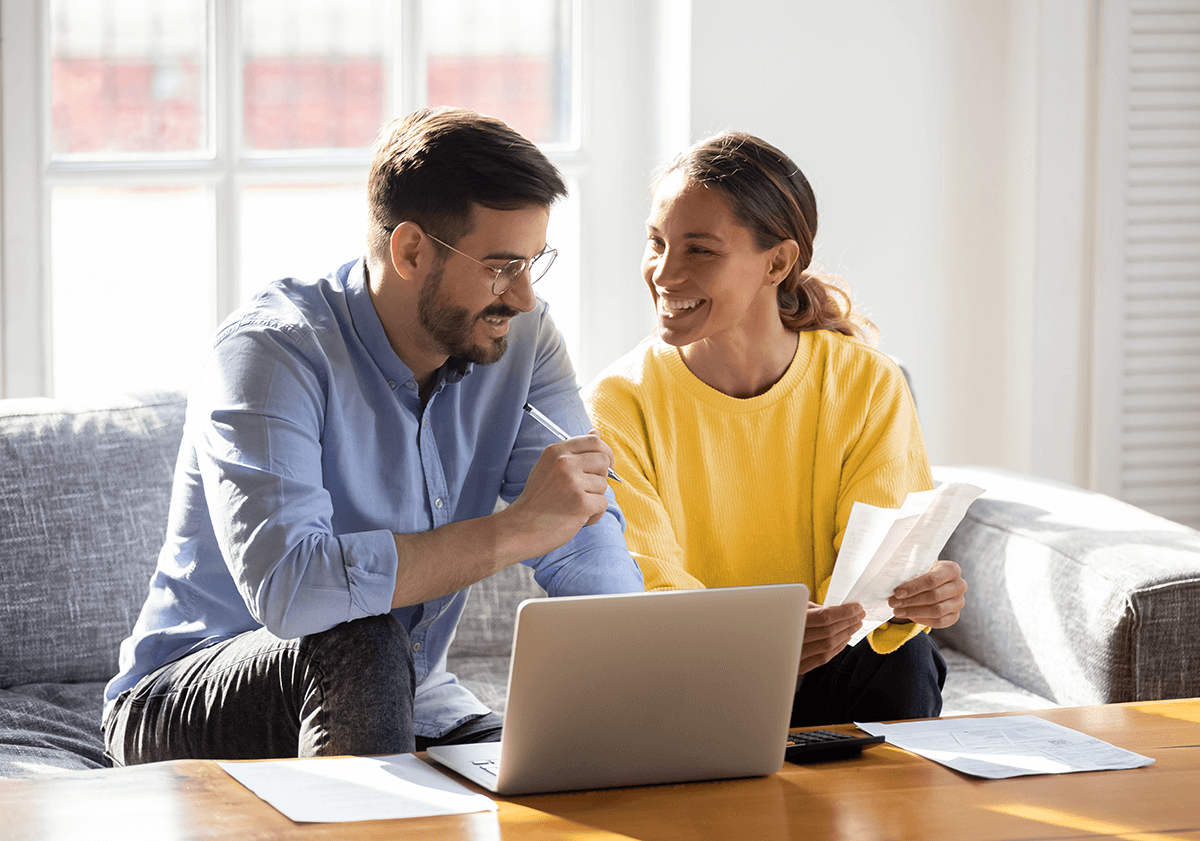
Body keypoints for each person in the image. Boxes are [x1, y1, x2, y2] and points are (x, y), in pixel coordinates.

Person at [103, 107, 643, 764]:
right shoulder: (272, 354)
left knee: (565, 770)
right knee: (359, 638)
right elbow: (294, 589)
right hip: (187, 693)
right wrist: (515, 530)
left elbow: (582, 532)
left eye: (535, 262)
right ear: (411, 249)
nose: (525, 296)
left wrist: (636, 682)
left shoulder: (521, 340)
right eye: (502, 265)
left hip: (412, 695)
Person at [584, 132, 964, 725]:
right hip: (693, 675)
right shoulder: (618, 401)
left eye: (699, 250)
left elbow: (877, 572)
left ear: (778, 262)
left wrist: (917, 598)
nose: (664, 272)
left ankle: (894, 815)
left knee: (904, 659)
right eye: (656, 243)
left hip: (835, 662)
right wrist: (764, 639)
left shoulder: (866, 383)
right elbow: (647, 586)